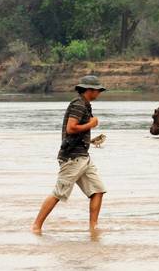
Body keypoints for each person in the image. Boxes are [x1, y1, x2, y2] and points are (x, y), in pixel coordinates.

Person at [31, 76, 107, 234]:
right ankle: (36, 226)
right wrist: (91, 124)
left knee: (98, 190)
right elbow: (70, 128)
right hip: (72, 158)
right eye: (97, 90)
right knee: (59, 192)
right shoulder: (78, 105)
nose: (99, 93)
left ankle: (93, 228)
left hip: (83, 157)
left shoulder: (85, 105)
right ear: (89, 90)